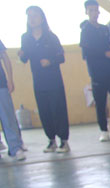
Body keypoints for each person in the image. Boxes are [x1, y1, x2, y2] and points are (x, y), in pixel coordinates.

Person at [19, 6, 70, 154]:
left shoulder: (51, 37)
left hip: (54, 81)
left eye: (34, 16)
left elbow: (61, 57)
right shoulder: (26, 38)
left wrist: (50, 61)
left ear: (41, 18)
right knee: (44, 111)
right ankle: (51, 140)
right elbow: (24, 58)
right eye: (29, 17)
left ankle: (64, 141)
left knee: (57, 109)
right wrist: (21, 54)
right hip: (39, 82)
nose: (32, 19)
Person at [80, 0, 110, 142]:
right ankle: (103, 130)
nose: (94, 13)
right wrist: (104, 54)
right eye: (91, 10)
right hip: (96, 72)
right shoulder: (85, 30)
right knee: (100, 102)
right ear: (87, 12)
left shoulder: (104, 29)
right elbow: (86, 54)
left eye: (96, 10)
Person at [0, 38, 27, 161]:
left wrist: (10, 79)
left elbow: (5, 57)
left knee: (8, 117)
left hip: (1, 85)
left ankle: (16, 148)